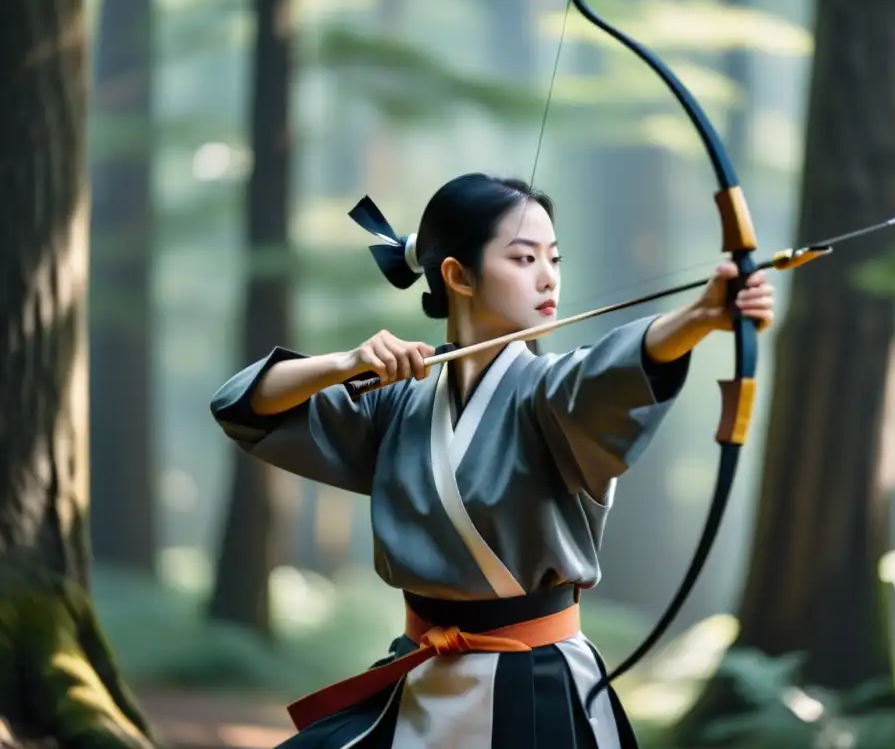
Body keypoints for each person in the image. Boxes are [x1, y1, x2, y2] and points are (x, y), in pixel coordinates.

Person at [210, 173, 775, 749]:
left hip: (537, 686)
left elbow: (618, 369)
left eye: (553, 258)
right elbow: (244, 406)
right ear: (457, 275)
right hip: (422, 677)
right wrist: (342, 364)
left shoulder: (552, 394)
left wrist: (702, 316)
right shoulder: (397, 401)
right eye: (524, 257)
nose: (548, 276)